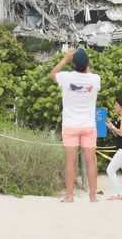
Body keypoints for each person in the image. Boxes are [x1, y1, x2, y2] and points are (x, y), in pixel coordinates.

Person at [49, 47, 100, 203]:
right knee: (91, 161)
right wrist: (84, 64)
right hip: (88, 126)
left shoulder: (66, 77)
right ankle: (92, 196)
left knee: (70, 162)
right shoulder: (95, 79)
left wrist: (65, 59)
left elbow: (52, 75)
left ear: (72, 64)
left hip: (70, 125)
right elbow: (88, 72)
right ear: (87, 63)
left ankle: (70, 196)